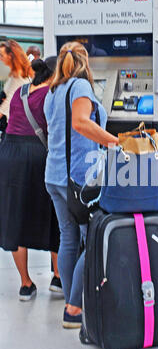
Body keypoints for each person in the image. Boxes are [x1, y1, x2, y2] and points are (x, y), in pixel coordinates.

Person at [44, 41, 119, 329]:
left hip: (55, 175)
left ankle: (69, 300)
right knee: (94, 238)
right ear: (85, 62)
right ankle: (75, 308)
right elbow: (80, 123)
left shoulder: (54, 90)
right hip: (79, 179)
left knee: (68, 238)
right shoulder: (81, 88)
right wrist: (114, 141)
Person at [0, 57, 61, 300]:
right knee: (54, 214)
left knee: (15, 216)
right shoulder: (52, 94)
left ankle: (26, 284)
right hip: (37, 156)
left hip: (9, 155)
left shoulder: (21, 91)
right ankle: (58, 278)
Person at [0, 40, 33, 137]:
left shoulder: (18, 76)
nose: (0, 58)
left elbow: (8, 102)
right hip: (17, 125)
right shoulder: (20, 73)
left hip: (14, 127)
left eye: (2, 55)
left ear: (11, 55)